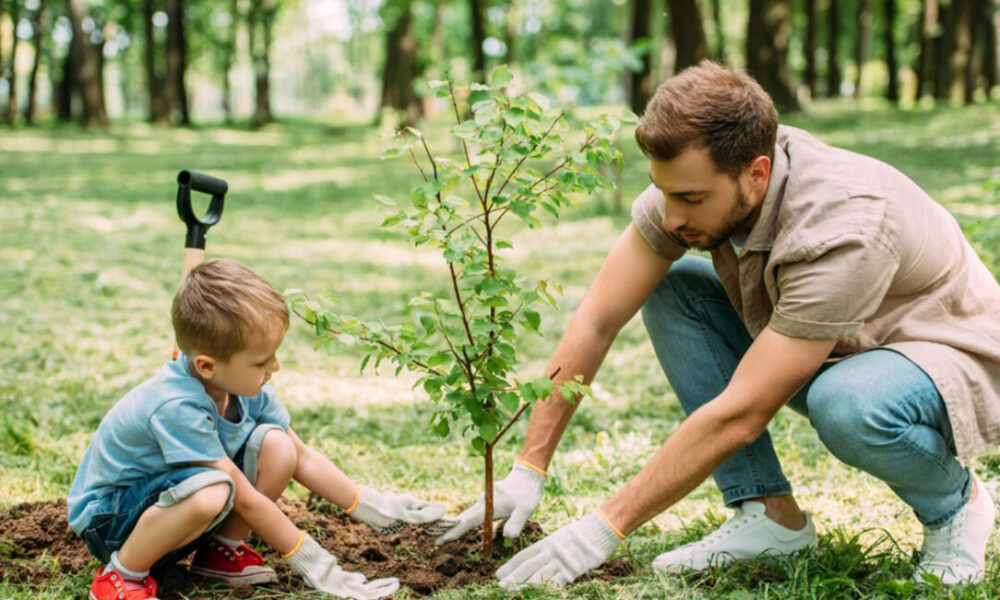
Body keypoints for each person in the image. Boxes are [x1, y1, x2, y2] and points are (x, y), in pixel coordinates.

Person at [436, 61, 1000, 589]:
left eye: (690, 197)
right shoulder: (693, 190)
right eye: (663, 190)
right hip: (836, 343)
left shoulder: (844, 225)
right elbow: (597, 319)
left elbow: (742, 415)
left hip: (942, 358)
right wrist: (528, 467)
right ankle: (769, 516)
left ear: (757, 172)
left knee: (847, 402)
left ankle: (957, 505)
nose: (672, 214)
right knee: (674, 284)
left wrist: (601, 529)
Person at [68, 258, 448, 600]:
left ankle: (219, 551)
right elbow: (244, 496)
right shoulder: (176, 405)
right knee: (215, 489)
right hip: (112, 521)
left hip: (171, 506)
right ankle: (120, 577)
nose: (275, 367)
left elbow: (301, 456)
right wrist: (317, 564)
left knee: (278, 447)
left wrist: (371, 506)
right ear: (206, 366)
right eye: (262, 361)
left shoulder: (243, 387)